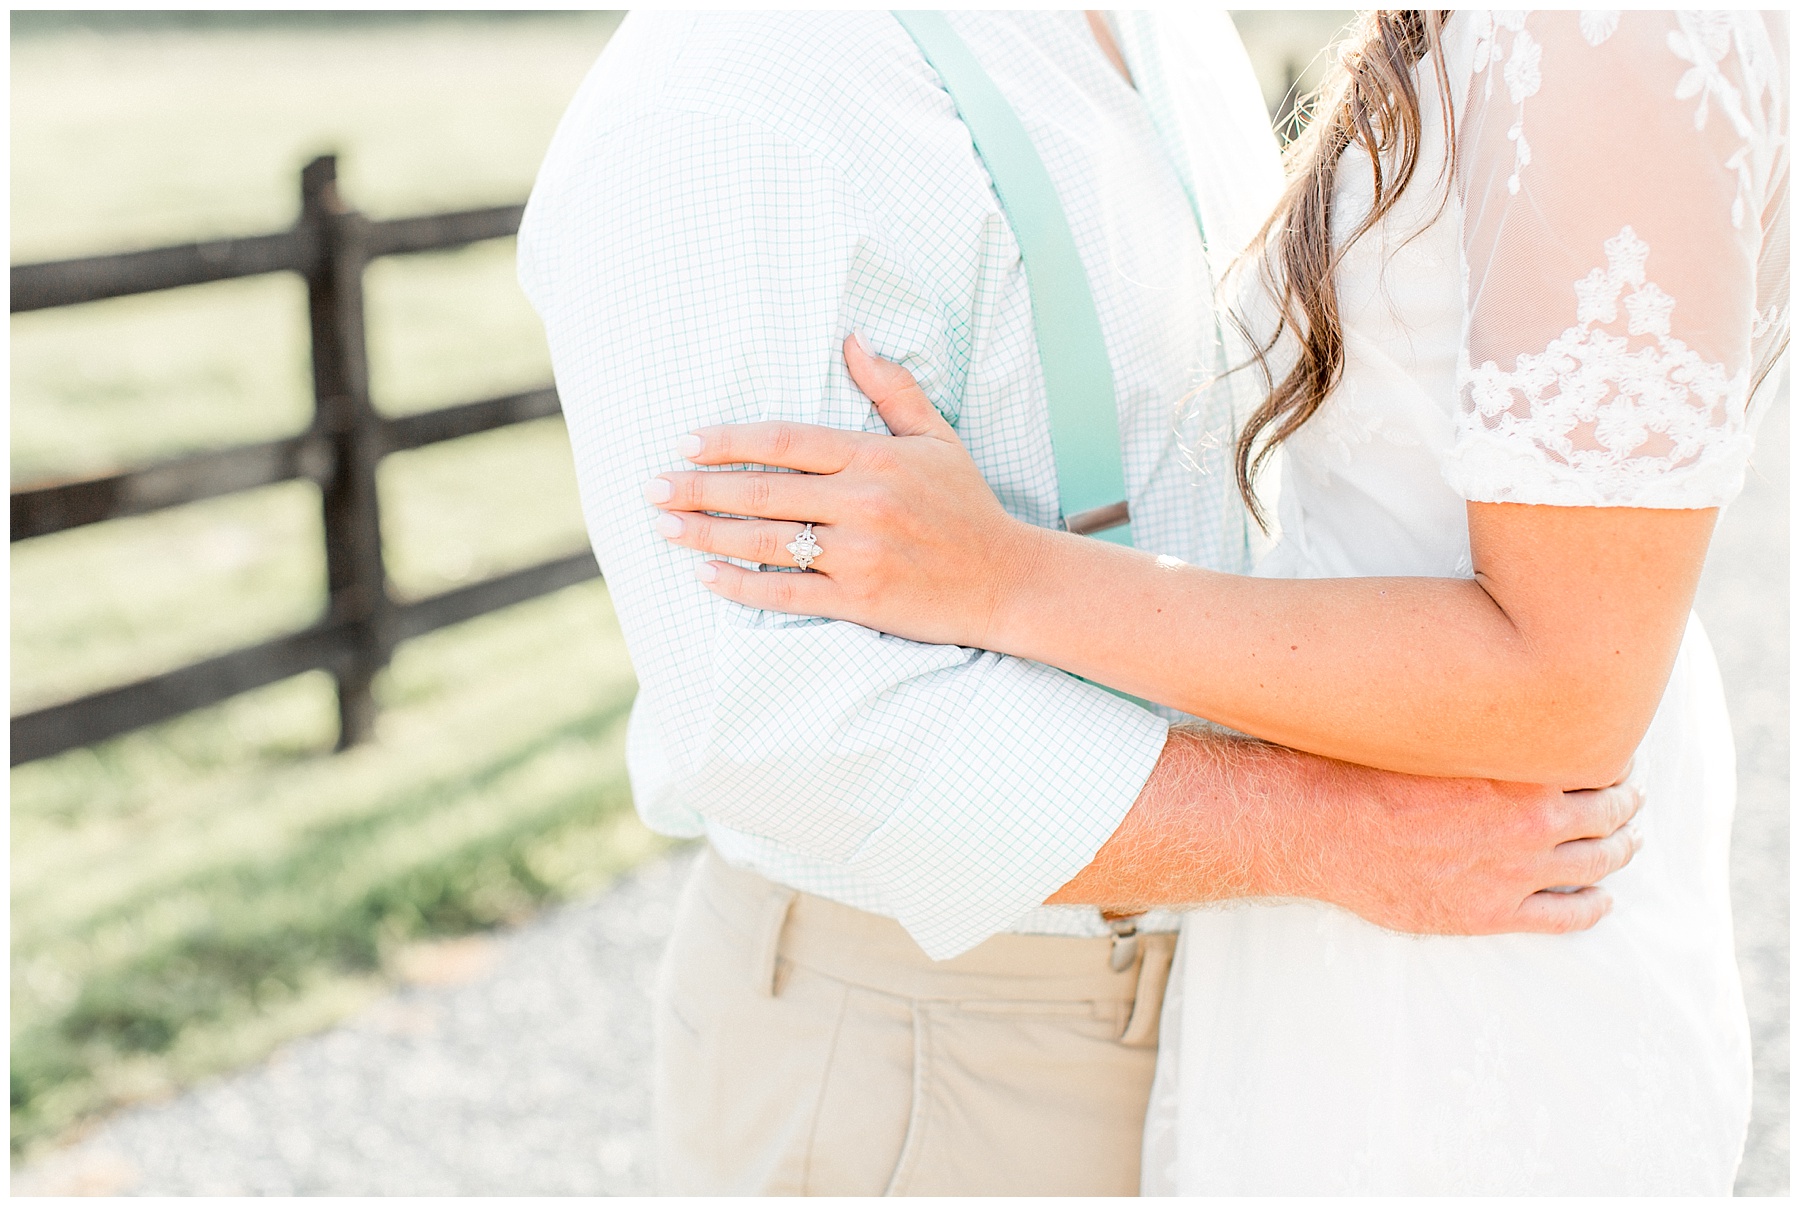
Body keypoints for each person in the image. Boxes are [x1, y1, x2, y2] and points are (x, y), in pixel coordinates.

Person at [646, 9, 1788, 1195]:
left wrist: (1008, 578)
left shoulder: (1610, 29)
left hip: (1470, 906)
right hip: (1360, 888)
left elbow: (1570, 682)